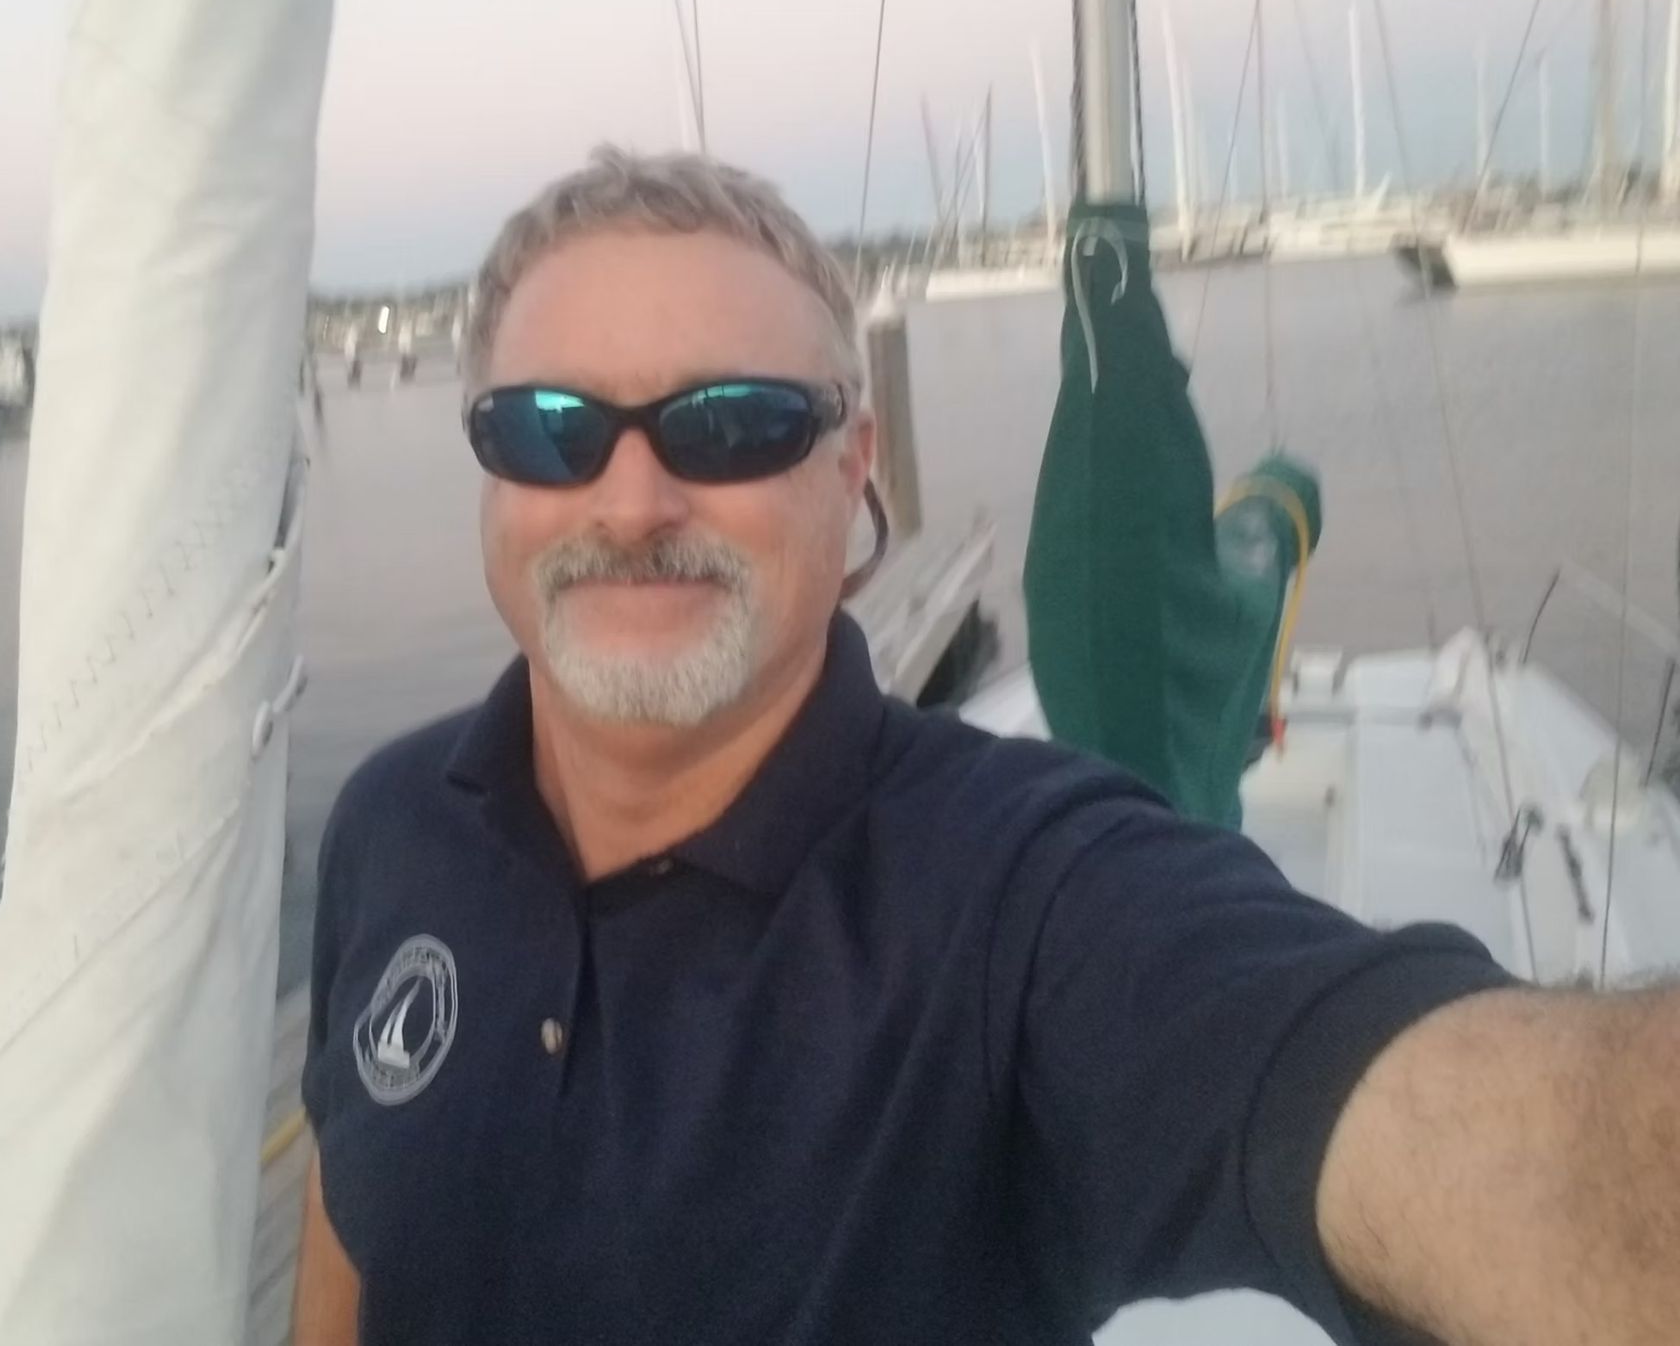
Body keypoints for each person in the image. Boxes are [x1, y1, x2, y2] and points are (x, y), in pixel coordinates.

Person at [293, 147, 1678, 1346]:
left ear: (855, 469)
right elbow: (353, 1230)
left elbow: (1454, 1124)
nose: (635, 495)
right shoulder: (396, 820)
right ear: (493, 477)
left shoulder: (1023, 891)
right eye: (554, 431)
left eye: (732, 425)